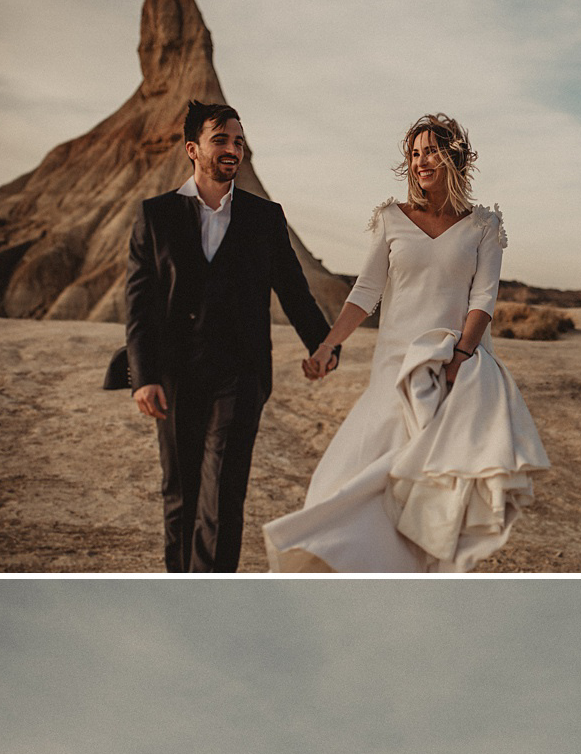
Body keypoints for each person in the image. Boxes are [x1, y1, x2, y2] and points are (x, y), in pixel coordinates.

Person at [264, 114, 548, 572]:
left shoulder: (484, 226)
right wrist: (326, 345)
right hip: (393, 372)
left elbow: (483, 298)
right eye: (414, 153)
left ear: (454, 156)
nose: (421, 161)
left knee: (433, 493)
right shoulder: (391, 220)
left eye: (431, 150)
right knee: (351, 479)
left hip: (455, 372)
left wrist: (458, 359)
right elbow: (366, 292)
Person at [113, 100, 334, 571]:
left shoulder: (265, 217)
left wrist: (324, 343)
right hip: (174, 377)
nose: (233, 149)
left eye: (238, 140)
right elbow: (140, 305)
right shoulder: (155, 217)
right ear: (193, 149)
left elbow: (293, 289)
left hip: (240, 375)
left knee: (223, 495)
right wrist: (144, 375)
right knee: (181, 496)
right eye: (221, 140)